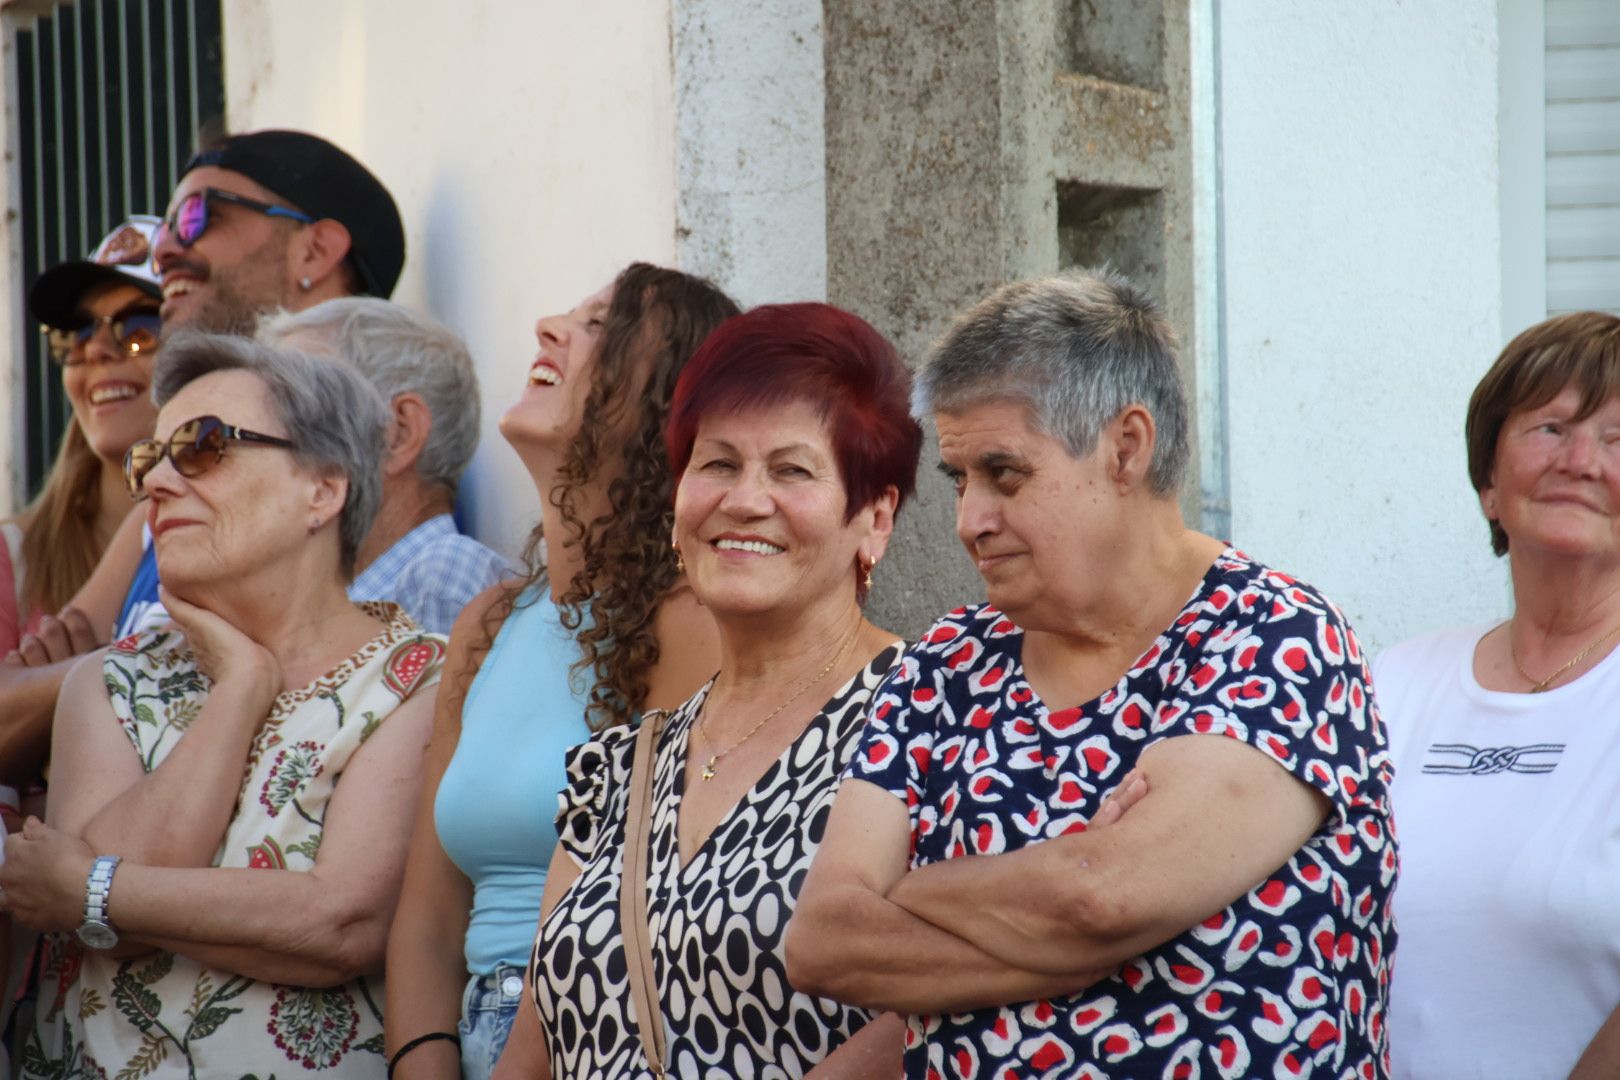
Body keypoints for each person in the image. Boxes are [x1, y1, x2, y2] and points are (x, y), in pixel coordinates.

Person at [788, 271, 1397, 1078]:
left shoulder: (1274, 638)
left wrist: (908, 889)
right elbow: (824, 937)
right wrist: (1066, 946)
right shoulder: (944, 667)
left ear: (1127, 448)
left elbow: (1101, 893)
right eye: (960, 480)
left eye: (1005, 475)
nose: (971, 521)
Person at [494, 302, 922, 1079]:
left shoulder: (930, 721)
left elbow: (944, 1015)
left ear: (874, 518)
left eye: (791, 470)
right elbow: (534, 1050)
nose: (744, 500)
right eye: (717, 464)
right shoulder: (620, 766)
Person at [0, 333, 445, 1077]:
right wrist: (239, 687)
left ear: (323, 489)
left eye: (204, 447)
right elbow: (109, 935)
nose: (157, 485)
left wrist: (90, 888)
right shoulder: (111, 680)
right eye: (152, 458)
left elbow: (340, 922)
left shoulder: (421, 677)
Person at [0, 130, 506, 783]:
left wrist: (129, 670)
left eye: (197, 216)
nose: (166, 250)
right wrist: (133, 668)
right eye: (172, 451)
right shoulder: (163, 505)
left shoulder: (421, 555)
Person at [384, 264, 739, 1079]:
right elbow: (428, 920)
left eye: (601, 328)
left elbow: (656, 916)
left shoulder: (695, 621)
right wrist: (426, 1064)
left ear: (669, 401)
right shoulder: (493, 620)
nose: (548, 327)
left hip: (601, 1042)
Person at [1377, 311, 1620, 1079]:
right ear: (1489, 481)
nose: (1581, 460)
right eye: (1549, 428)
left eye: (1618, 439)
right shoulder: (1390, 683)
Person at [0, 217, 164, 786]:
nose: (96, 351)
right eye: (76, 332)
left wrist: (55, 683)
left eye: (139, 326)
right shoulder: (10, 558)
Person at [258, 298, 511, 633]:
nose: (259, 433)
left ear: (399, 433)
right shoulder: (342, 602)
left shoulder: (441, 575)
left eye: (296, 403)